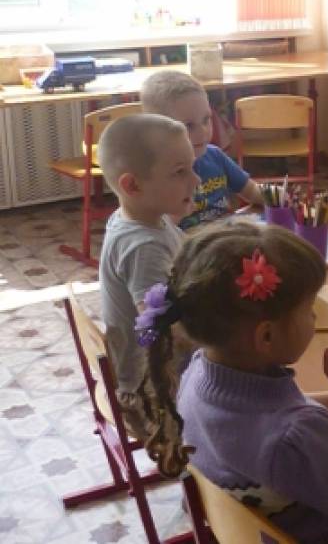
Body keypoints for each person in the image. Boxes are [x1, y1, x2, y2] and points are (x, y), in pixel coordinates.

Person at [134, 221, 328, 543]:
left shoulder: (196, 373)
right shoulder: (296, 434)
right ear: (266, 336)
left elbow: (267, 416)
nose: (314, 318)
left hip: (262, 530)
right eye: (308, 309)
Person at [96, 113, 199, 439]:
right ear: (132, 186)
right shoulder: (144, 247)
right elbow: (163, 328)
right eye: (180, 172)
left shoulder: (143, 216)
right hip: (154, 394)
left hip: (149, 376)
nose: (195, 180)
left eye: (192, 168)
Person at [141, 70, 265, 229]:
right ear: (157, 131)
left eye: (206, 120)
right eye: (188, 126)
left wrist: (276, 195)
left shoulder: (214, 155)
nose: (203, 132)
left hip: (225, 233)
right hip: (187, 241)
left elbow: (251, 190)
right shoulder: (157, 174)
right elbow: (160, 230)